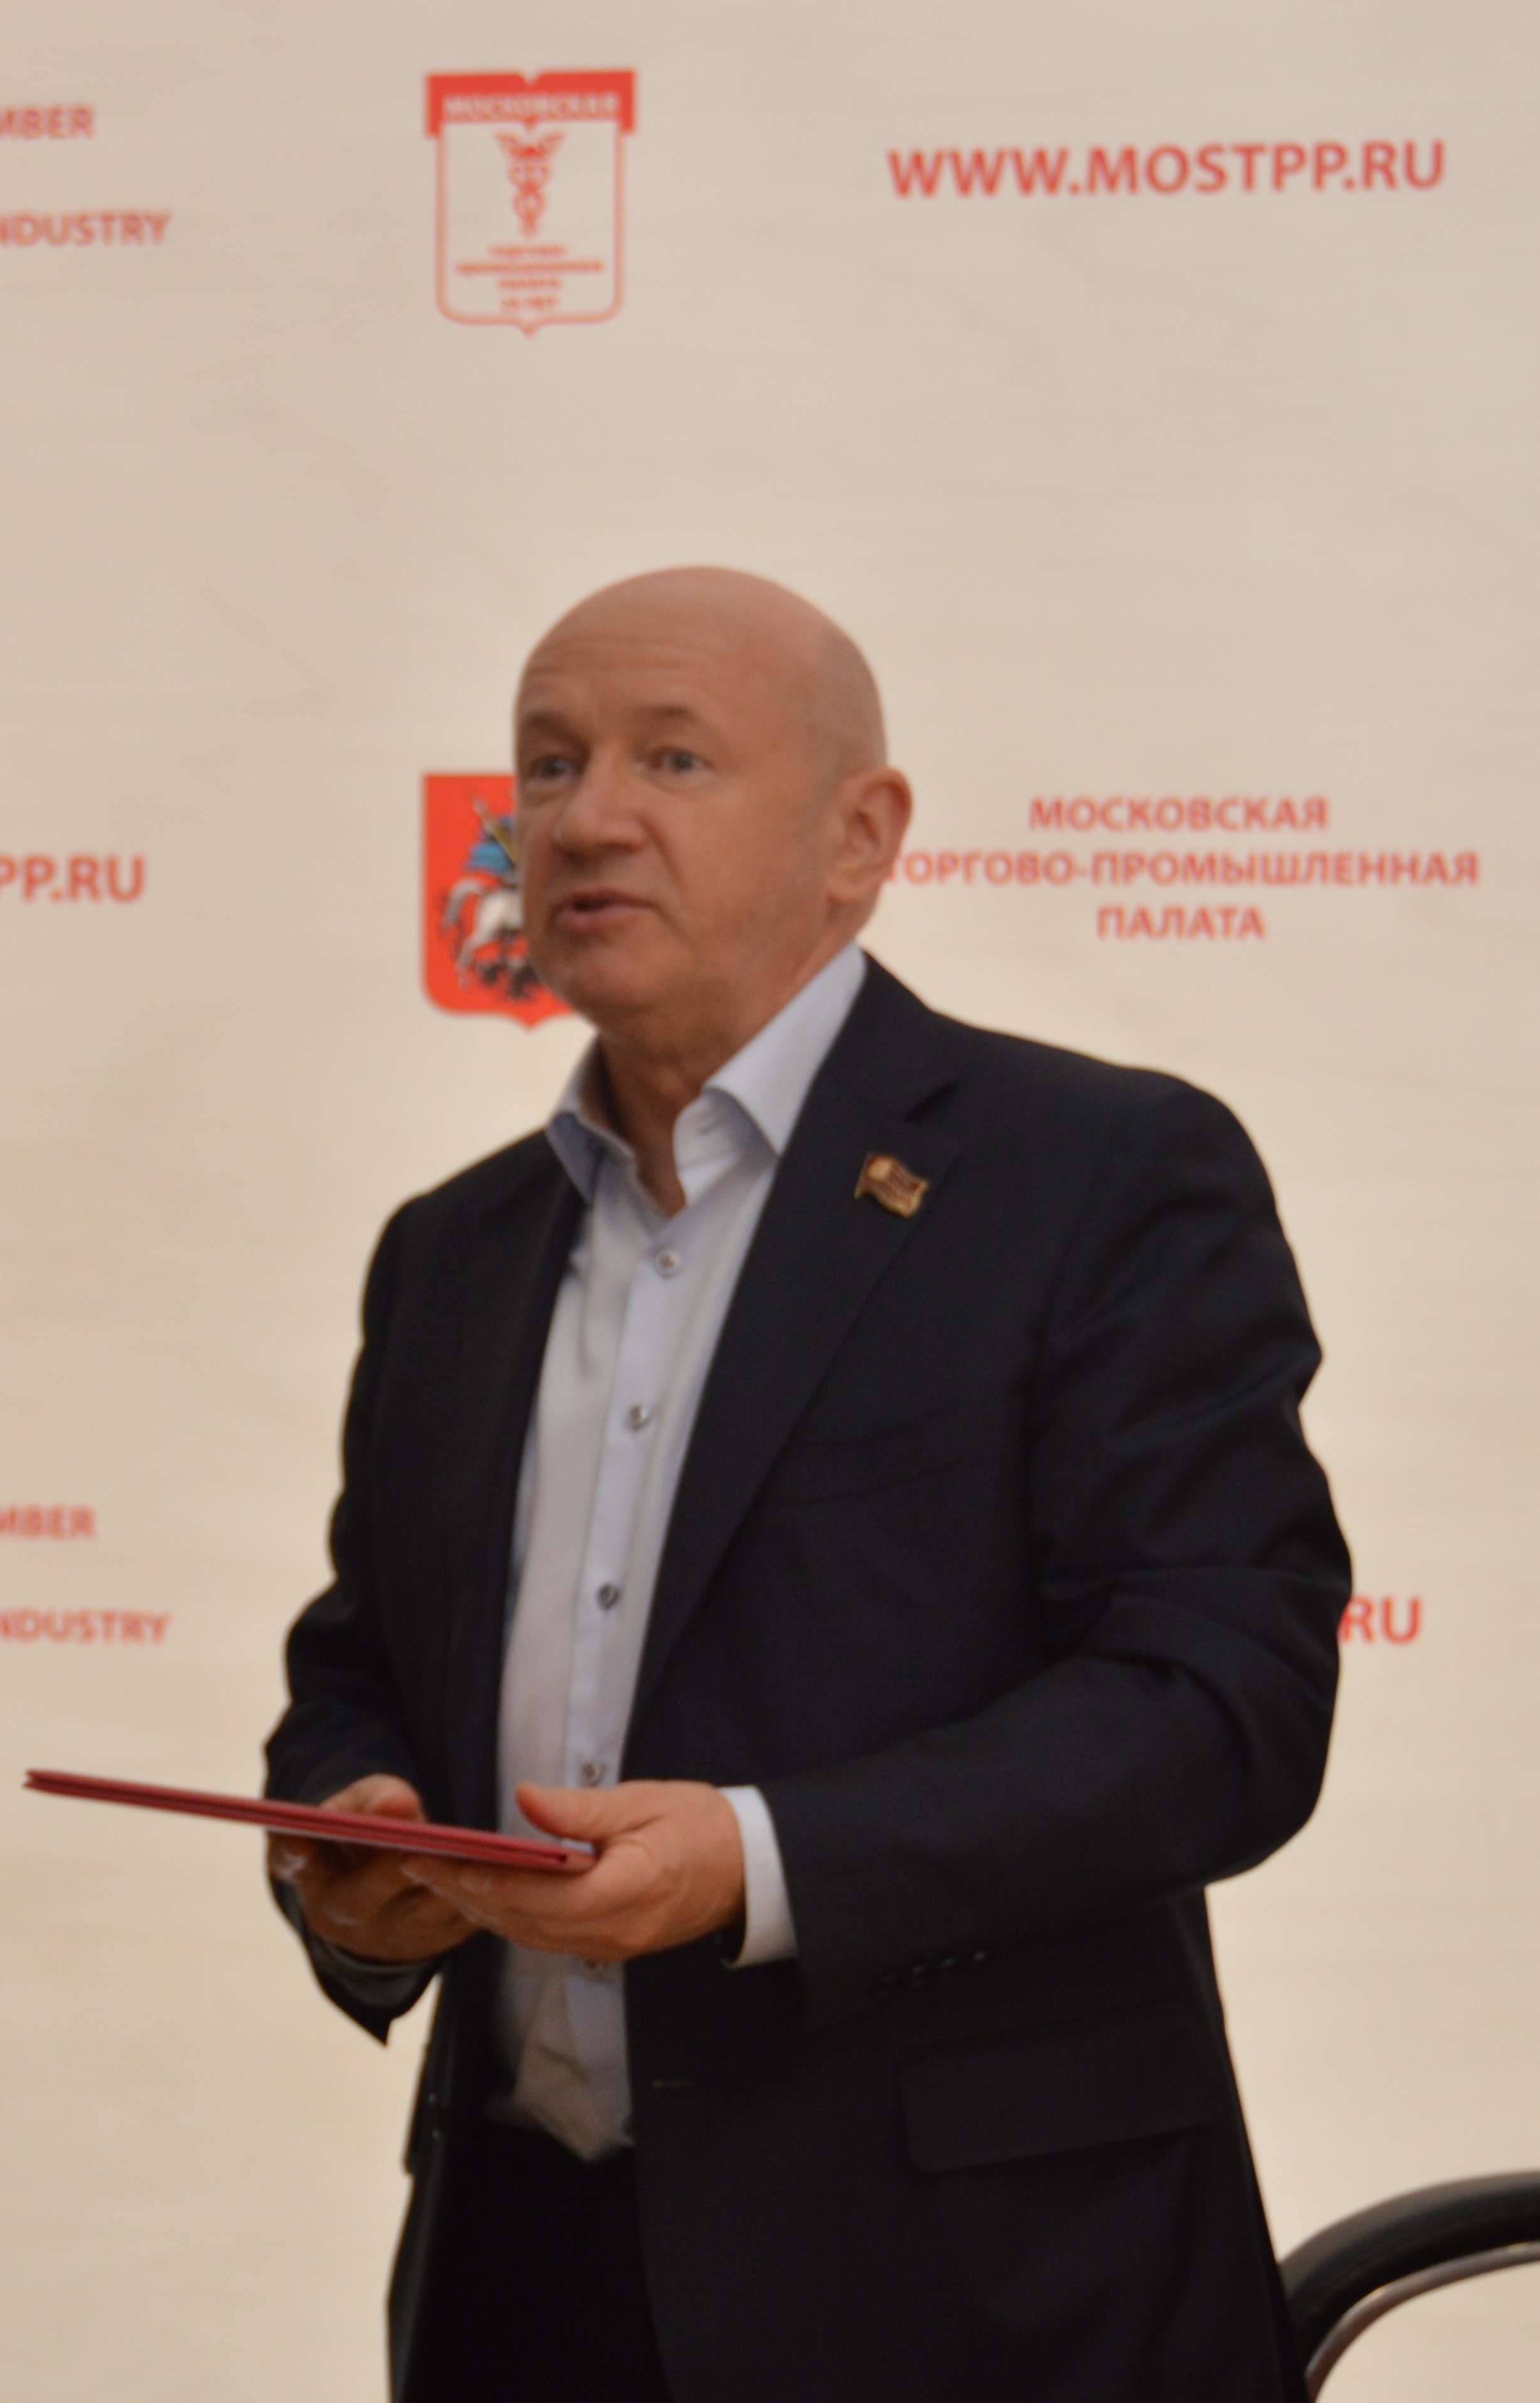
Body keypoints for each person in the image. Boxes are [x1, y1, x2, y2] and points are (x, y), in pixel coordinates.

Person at [263, 567, 1345, 2403]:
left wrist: (758, 1862)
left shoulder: (1097, 1175)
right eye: (549, 763)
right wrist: (353, 1848)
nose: (585, 817)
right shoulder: (450, 1249)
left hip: (976, 2297)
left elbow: (1221, 1699)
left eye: (673, 759)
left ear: (862, 838)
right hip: (519, 2282)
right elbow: (362, 1661)